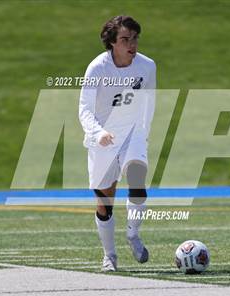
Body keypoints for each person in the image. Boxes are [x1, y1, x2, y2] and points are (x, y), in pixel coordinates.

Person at [78, 15, 156, 272]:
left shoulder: (147, 66)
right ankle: (109, 256)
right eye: (125, 39)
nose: (131, 44)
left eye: (134, 38)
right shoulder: (97, 68)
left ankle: (133, 235)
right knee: (104, 201)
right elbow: (85, 109)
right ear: (112, 42)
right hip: (102, 138)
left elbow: (149, 103)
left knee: (137, 175)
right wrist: (98, 132)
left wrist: (143, 133)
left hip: (132, 134)